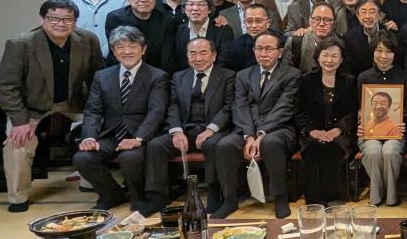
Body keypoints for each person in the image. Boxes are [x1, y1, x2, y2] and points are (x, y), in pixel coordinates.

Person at [0, 0, 104, 211]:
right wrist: (19, 121)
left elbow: (98, 78)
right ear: (42, 19)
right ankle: (18, 197)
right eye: (54, 18)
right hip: (32, 107)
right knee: (17, 143)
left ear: (75, 21)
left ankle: (89, 181)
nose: (60, 24)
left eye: (67, 19)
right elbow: (7, 87)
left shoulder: (88, 40)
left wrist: (97, 111)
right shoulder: (21, 44)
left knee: (99, 129)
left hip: (73, 103)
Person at [73, 26, 168, 212]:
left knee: (129, 157)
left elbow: (156, 111)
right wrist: (89, 137)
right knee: (82, 158)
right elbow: (93, 111)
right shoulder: (102, 76)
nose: (127, 51)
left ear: (143, 49)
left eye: (132, 46)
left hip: (141, 136)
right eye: (120, 47)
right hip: (112, 135)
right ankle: (111, 194)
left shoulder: (157, 76)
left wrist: (138, 138)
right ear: (114, 52)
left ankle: (137, 196)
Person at [143, 36, 235, 215]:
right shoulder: (179, 77)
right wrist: (176, 131)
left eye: (203, 53)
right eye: (193, 53)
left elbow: (228, 107)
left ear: (214, 55)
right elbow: (172, 105)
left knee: (211, 144)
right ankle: (157, 196)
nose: (198, 58)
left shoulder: (228, 76)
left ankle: (214, 192)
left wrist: (210, 129)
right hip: (186, 130)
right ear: (187, 56)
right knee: (156, 145)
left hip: (215, 130)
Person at [215, 32, 301, 218]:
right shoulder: (243, 75)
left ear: (279, 52)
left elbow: (284, 108)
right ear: (253, 51)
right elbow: (240, 107)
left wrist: (261, 134)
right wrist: (249, 136)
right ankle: (229, 200)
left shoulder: (292, 75)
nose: (263, 53)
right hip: (247, 130)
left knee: (270, 143)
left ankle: (280, 198)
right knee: (224, 145)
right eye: (259, 49)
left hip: (279, 128)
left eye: (269, 49)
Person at [295, 36, 357, 206]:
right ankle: (314, 199)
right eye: (325, 55)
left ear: (341, 59)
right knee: (314, 147)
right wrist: (313, 131)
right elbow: (299, 111)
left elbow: (353, 112)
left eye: (335, 56)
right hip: (313, 131)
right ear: (318, 56)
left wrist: (338, 129)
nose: (329, 60)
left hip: (341, 133)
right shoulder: (306, 80)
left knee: (333, 147)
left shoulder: (349, 81)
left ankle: (334, 197)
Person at [356, 32, 407, 207]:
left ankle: (392, 196)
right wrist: (360, 124)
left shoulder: (404, 77)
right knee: (373, 151)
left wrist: (404, 123)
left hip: (396, 131)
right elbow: (359, 107)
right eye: (379, 51)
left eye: (388, 51)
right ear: (373, 52)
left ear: (395, 54)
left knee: (390, 151)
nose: (383, 56)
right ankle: (376, 196)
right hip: (368, 132)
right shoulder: (363, 77)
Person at [105, 0, 178, 72]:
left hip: (156, 72)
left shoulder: (166, 19)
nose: (144, 0)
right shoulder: (116, 18)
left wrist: (159, 76)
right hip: (122, 70)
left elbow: (167, 55)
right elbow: (117, 51)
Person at [175, 0, 232, 66]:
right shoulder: (179, 30)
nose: (195, 8)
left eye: (200, 4)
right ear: (184, 9)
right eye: (190, 4)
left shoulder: (223, 30)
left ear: (209, 9)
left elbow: (223, 61)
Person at [223, 3, 281, 73]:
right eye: (249, 21)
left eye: (258, 21)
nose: (253, 26)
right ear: (244, 23)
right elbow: (231, 72)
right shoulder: (237, 45)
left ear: (268, 23)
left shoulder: (282, 41)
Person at [343, 0, 388, 77]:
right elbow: (350, 68)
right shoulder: (349, 37)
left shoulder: (390, 34)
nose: (368, 16)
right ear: (358, 16)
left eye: (372, 11)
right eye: (363, 12)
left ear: (379, 14)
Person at [286, 2, 337, 71]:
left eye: (327, 20)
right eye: (317, 19)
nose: (322, 24)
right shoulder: (295, 42)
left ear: (334, 24)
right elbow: (285, 73)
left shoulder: (341, 43)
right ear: (310, 21)